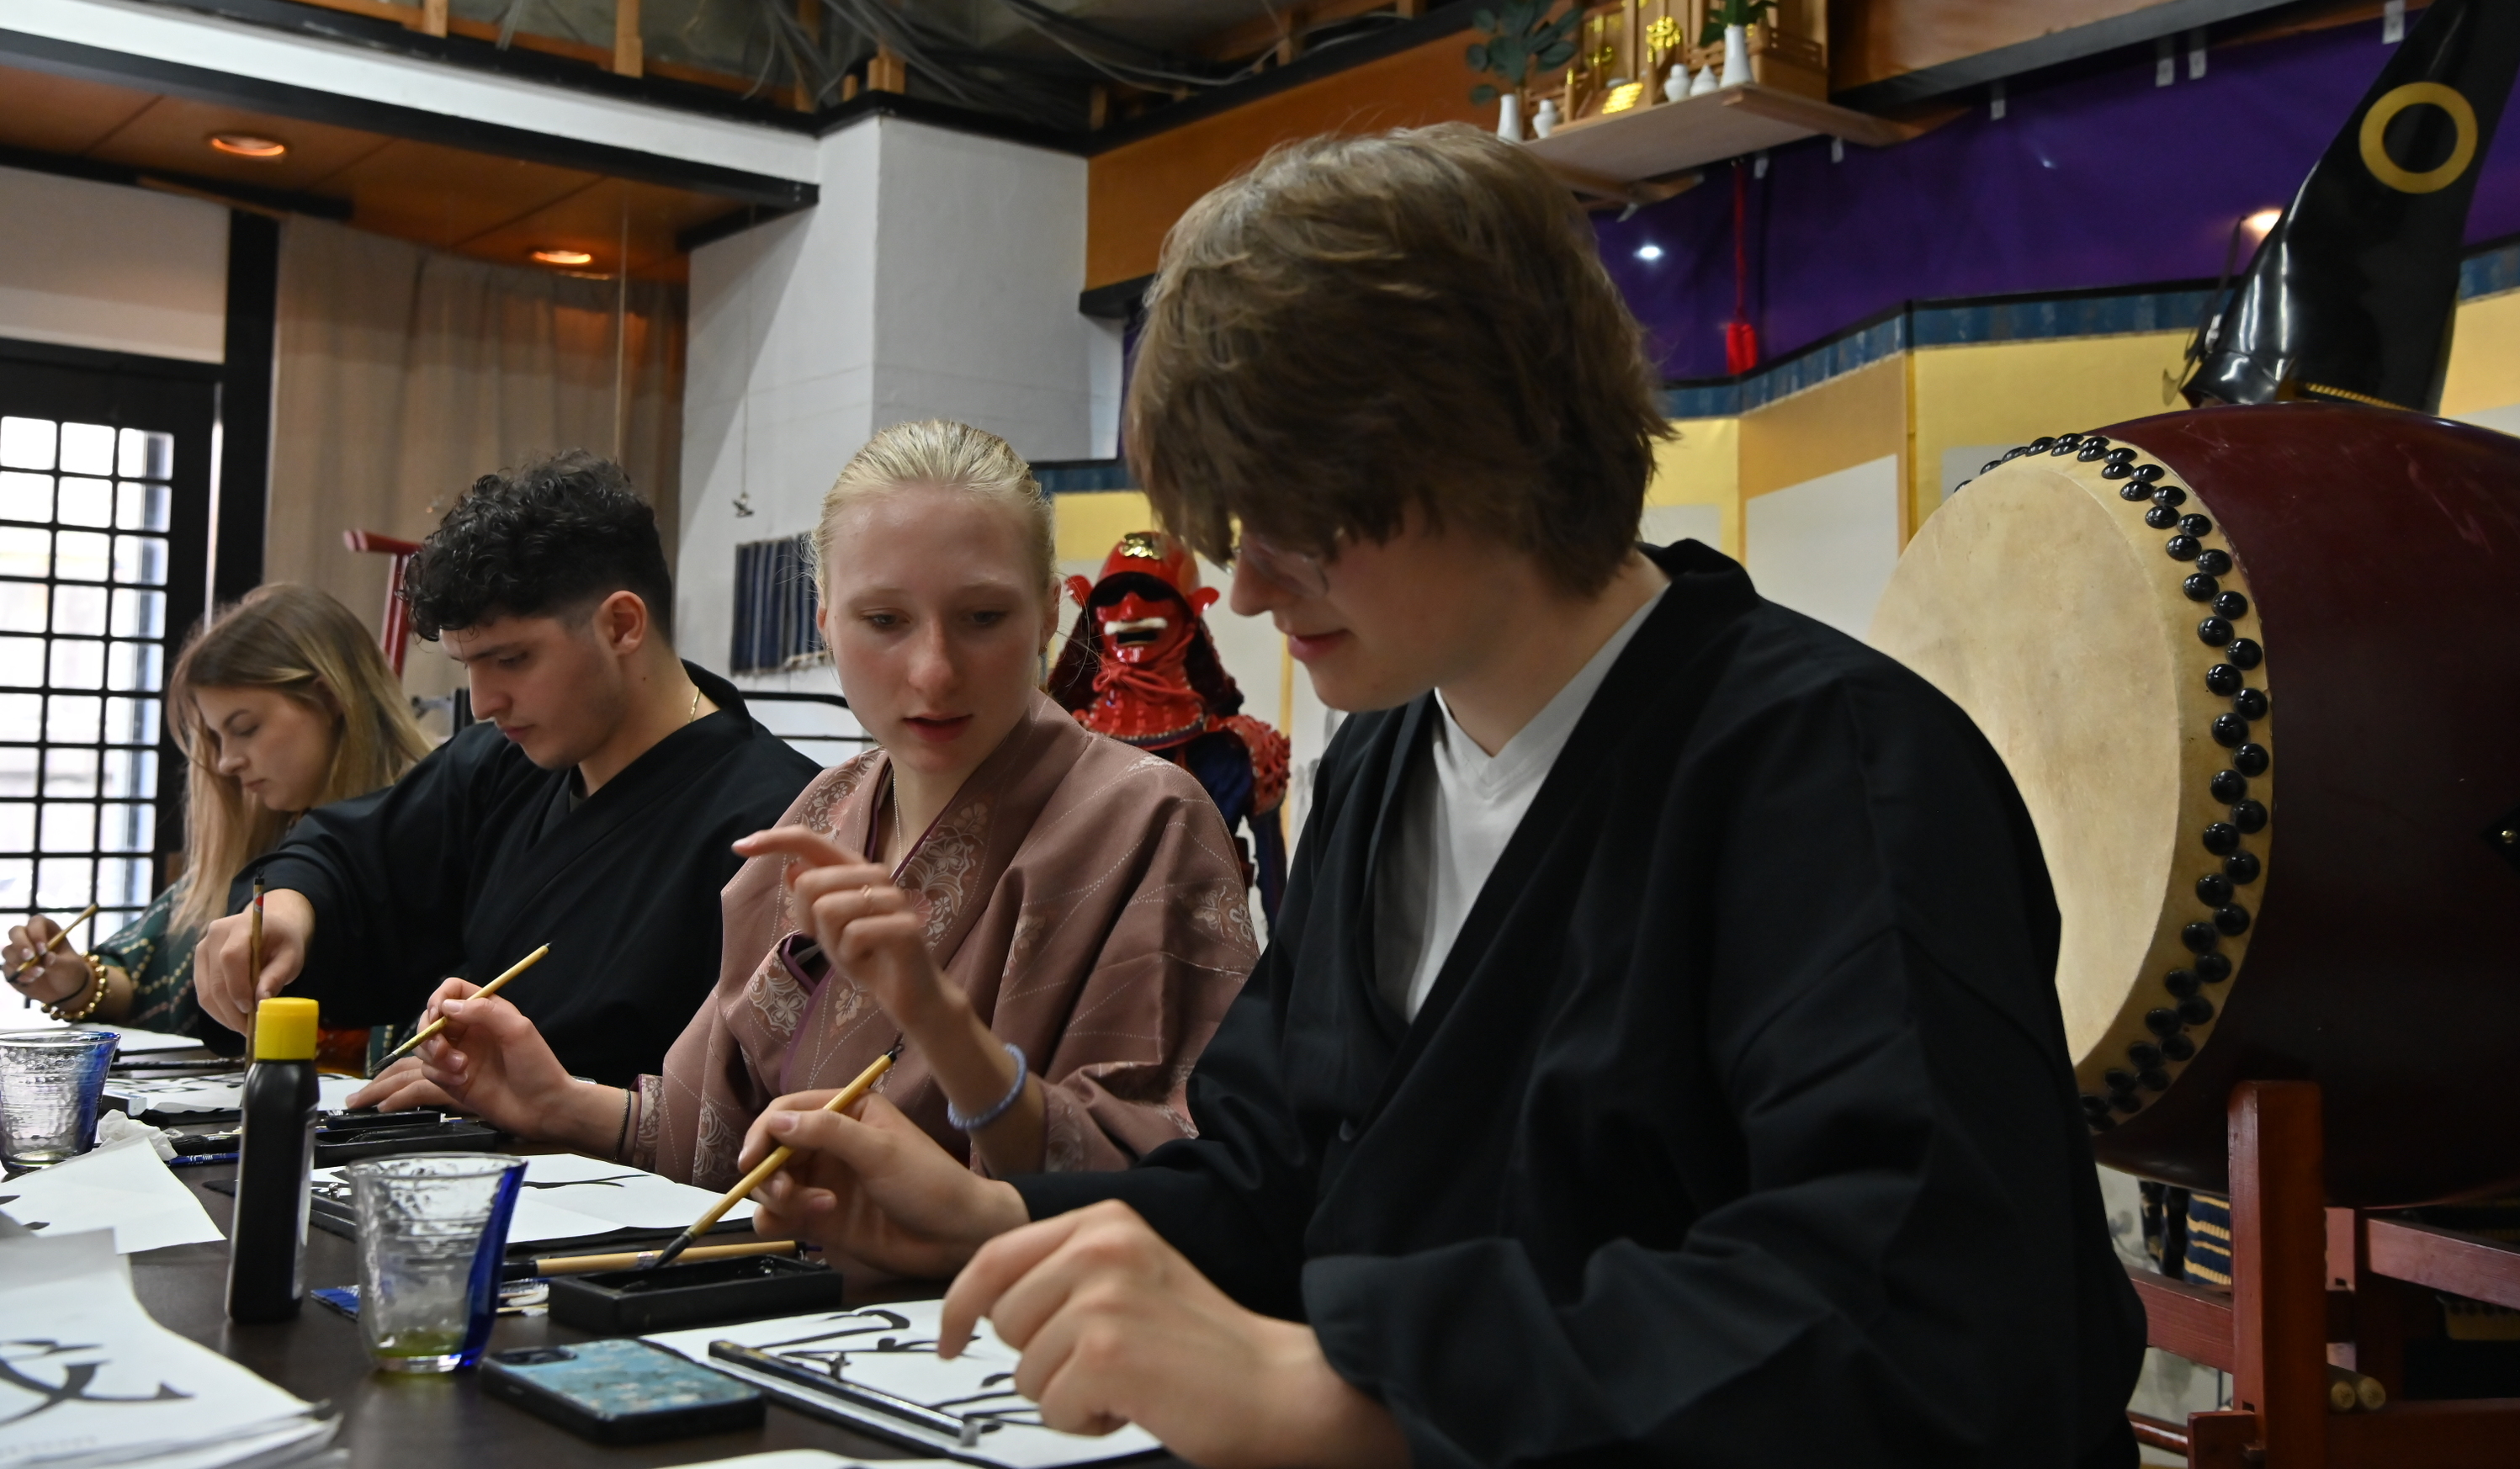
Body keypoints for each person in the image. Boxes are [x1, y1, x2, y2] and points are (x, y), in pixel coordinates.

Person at [726, 128, 2148, 1468]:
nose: (1246, 588)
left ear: (1488, 447)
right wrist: (997, 1216)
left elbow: (1929, 1321)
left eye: (1295, 522)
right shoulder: (1387, 757)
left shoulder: (1835, 770)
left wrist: (1343, 1393)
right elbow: (1282, 1176)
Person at [348, 421, 1259, 1182]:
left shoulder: (1147, 822)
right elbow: (718, 1124)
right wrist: (557, 1101)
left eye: (983, 618)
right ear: (825, 623)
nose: (934, 671)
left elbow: (1173, 1174)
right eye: (884, 621)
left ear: (1051, 613)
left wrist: (943, 1026)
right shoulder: (823, 814)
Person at [192, 453, 820, 1089]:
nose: (484, 703)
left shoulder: (777, 818)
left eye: (512, 660)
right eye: (469, 666)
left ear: (622, 625)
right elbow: (347, 858)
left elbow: (749, 1099)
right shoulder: (499, 765)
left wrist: (535, 1101)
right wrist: (290, 911)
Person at [5, 584, 428, 1047]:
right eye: (216, 738)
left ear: (329, 698)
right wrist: (78, 982)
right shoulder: (267, 838)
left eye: (245, 728)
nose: (226, 762)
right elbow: (153, 981)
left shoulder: (432, 830)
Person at [1048, 531, 1290, 922]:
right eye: (1114, 596)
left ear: (1191, 614)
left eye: (1150, 593)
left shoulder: (1240, 751)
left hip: (1208, 949)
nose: (1130, 609)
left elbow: (1281, 906)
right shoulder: (1060, 747)